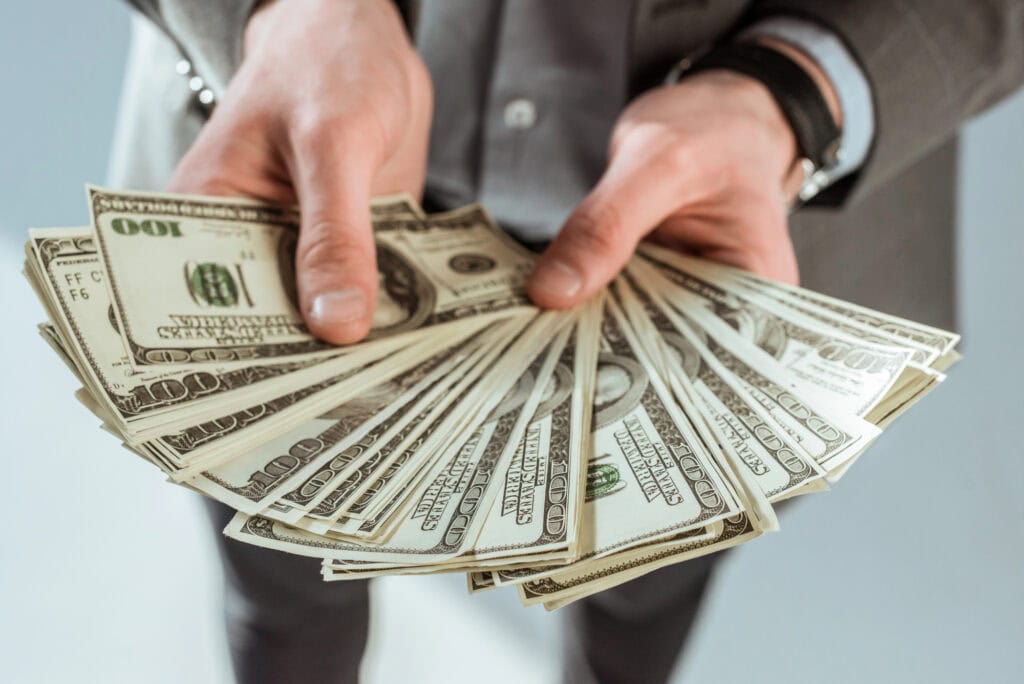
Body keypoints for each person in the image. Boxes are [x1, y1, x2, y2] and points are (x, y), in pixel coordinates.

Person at [109, 1, 1024, 682]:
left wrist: (797, 91)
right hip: (288, 184)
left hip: (726, 237)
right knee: (285, 592)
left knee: (640, 600)